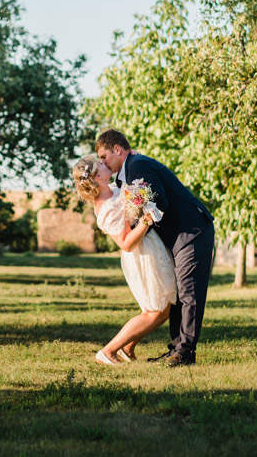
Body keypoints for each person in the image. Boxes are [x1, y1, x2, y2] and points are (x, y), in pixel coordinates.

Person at [96, 129, 214, 367]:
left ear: (117, 149)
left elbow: (159, 203)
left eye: (104, 156)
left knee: (189, 293)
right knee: (181, 294)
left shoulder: (138, 165)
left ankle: (185, 353)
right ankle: (176, 350)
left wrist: (138, 232)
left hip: (191, 230)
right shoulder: (131, 169)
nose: (103, 162)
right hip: (178, 235)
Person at [72, 154, 176, 366]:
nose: (105, 163)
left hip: (151, 249)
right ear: (96, 175)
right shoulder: (105, 207)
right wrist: (146, 220)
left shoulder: (112, 189)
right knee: (156, 310)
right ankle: (108, 351)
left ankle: (128, 349)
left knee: (161, 308)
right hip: (141, 256)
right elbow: (126, 243)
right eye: (100, 163)